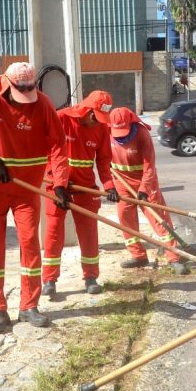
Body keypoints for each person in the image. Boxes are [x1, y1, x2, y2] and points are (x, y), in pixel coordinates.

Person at [0, 62, 71, 334]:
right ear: (7, 84)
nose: (25, 98)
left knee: (30, 244)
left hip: (27, 190)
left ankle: (29, 306)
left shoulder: (42, 104)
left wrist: (60, 184)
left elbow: (58, 144)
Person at [41, 90, 119, 298]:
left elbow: (104, 160)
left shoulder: (101, 128)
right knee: (53, 233)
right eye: (96, 117)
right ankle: (49, 279)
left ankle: (91, 277)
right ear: (87, 110)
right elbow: (47, 152)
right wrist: (58, 182)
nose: (98, 122)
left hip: (86, 189)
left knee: (89, 234)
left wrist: (109, 186)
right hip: (56, 188)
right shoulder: (61, 119)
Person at [108, 107, 189, 275]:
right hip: (121, 180)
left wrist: (144, 188)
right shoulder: (106, 130)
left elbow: (149, 166)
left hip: (144, 180)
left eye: (123, 132)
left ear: (130, 124)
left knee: (159, 218)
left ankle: (173, 257)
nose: (120, 136)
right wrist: (109, 185)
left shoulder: (141, 133)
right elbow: (102, 158)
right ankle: (138, 256)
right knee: (125, 217)